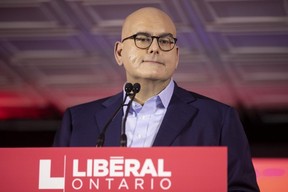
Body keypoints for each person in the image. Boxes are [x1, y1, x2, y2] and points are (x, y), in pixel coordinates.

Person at [53, 7, 259, 191]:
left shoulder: (218, 118)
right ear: (119, 52)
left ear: (176, 56)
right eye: (142, 38)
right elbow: (55, 185)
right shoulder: (78, 120)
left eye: (165, 41)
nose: (154, 48)